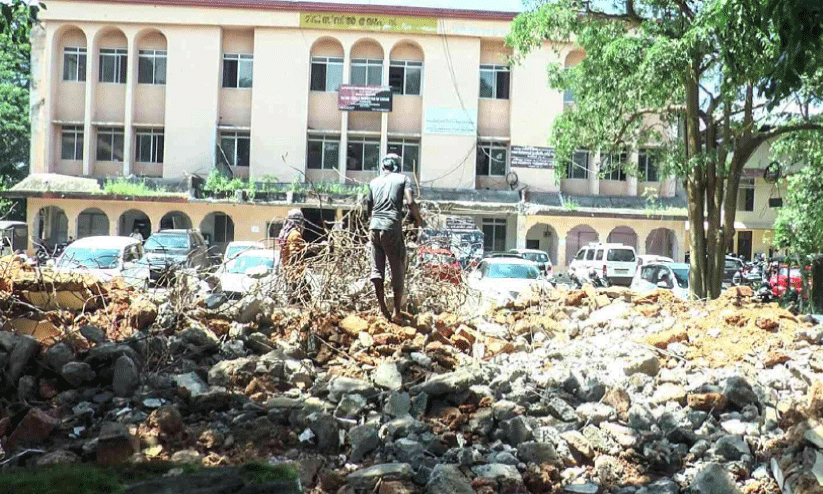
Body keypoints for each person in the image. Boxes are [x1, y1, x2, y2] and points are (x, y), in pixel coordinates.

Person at [367, 153, 424, 321]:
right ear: (396, 166)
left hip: (374, 228)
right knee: (397, 268)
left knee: (377, 271)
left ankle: (382, 308)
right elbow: (410, 202)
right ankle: (396, 312)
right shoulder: (403, 179)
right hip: (391, 228)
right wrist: (419, 220)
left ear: (383, 167)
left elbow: (368, 208)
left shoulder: (373, 182)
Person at [277, 209, 307, 304]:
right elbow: (294, 253)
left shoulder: (286, 233)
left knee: (291, 296)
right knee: (299, 298)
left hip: (287, 269)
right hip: (295, 272)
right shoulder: (295, 234)